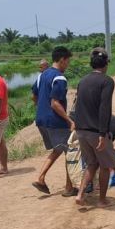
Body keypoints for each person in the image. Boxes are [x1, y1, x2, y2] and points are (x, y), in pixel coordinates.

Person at [74, 47, 115, 207]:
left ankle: (80, 194)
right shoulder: (107, 81)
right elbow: (104, 108)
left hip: (81, 130)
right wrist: (103, 134)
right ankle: (102, 200)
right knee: (105, 165)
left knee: (91, 163)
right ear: (105, 64)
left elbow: (78, 105)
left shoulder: (82, 80)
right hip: (95, 132)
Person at [32, 46, 76, 196]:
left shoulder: (42, 76)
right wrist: (69, 120)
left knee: (58, 148)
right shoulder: (59, 78)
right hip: (55, 121)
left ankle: (41, 178)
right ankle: (69, 188)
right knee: (69, 151)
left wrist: (40, 108)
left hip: (41, 120)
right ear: (62, 60)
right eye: (68, 61)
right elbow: (55, 103)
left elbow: (34, 95)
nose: (68, 64)